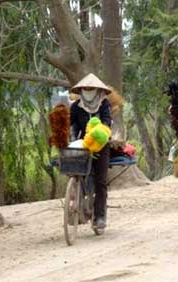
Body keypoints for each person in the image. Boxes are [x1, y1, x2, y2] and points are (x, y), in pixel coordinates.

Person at [70, 73, 112, 231]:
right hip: (83, 146)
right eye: (85, 88)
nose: (88, 90)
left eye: (91, 88)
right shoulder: (76, 106)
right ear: (81, 90)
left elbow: (107, 123)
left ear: (97, 90)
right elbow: (71, 124)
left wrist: (98, 133)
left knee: (101, 182)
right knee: (77, 176)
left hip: (102, 145)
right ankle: (78, 209)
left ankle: (100, 216)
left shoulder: (104, 104)